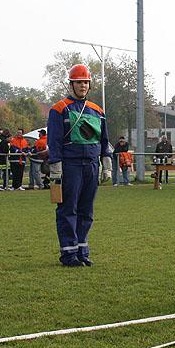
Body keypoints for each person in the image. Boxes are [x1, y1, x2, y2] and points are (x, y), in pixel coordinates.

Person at [47, 63, 111, 267]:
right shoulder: (58, 109)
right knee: (68, 209)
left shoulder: (97, 111)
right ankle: (68, 253)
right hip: (70, 165)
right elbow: (54, 140)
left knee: (86, 210)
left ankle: (82, 250)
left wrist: (106, 164)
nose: (83, 85)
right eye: (78, 82)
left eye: (85, 82)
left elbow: (104, 140)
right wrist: (56, 166)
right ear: (71, 84)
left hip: (92, 165)